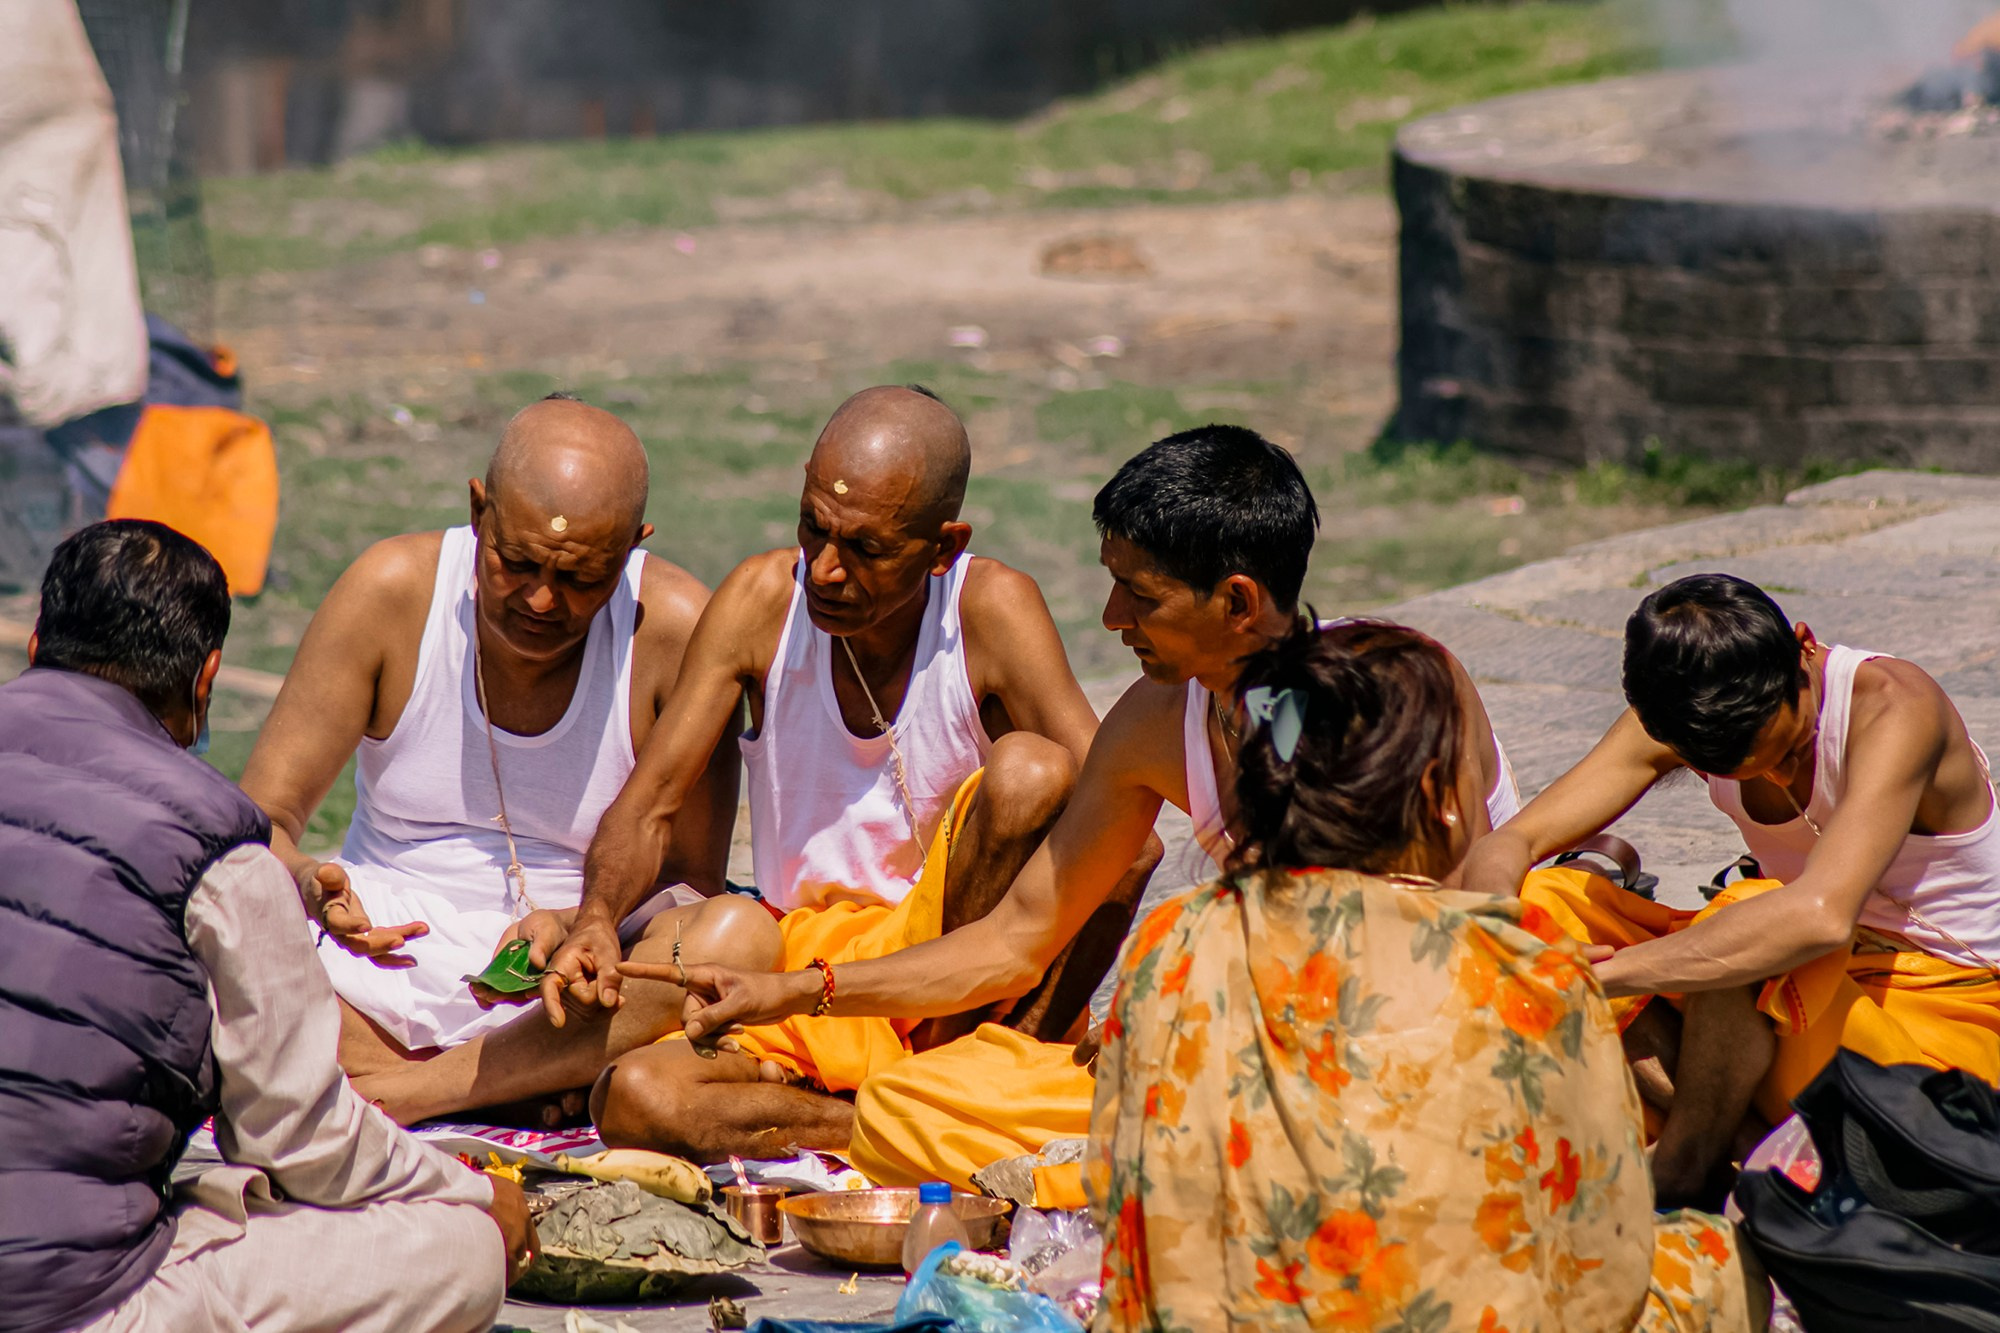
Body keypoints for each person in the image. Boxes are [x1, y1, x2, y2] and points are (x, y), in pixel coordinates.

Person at [657, 425, 1521, 1191]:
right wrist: (800, 990)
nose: (1111, 619)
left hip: (1400, 1032)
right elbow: (1013, 940)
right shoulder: (1155, 720)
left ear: (1237, 602)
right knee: (912, 1098)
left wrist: (1201, 1006)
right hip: (1236, 1051)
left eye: (1139, 596)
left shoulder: (1398, 688)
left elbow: (1454, 918)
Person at [1090, 618, 1759, 1332]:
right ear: (1439, 792)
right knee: (1723, 1259)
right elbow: (1600, 1253)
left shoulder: (1173, 939)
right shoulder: (1521, 961)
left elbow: (1115, 1193)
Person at [532, 383, 1144, 1162]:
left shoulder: (989, 608)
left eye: (864, 549)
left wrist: (1025, 1035)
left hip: (956, 999)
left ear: (943, 549)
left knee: (1030, 772)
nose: (823, 569)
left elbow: (1130, 842)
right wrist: (594, 915)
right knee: (634, 1097)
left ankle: (946, 1088)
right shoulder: (762, 598)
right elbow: (650, 801)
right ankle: (912, 1124)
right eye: (812, 528)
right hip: (794, 981)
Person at [0, 520, 531, 1333]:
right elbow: (300, 1141)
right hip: (70, 1301)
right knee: (459, 1247)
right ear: (206, 677)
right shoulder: (216, 845)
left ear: (37, 642)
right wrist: (469, 1188)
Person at [238, 393, 762, 1123]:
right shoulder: (391, 591)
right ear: (479, 512)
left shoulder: (675, 632)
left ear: (632, 548)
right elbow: (257, 820)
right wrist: (306, 881)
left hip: (571, 989)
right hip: (370, 967)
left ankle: (413, 1091)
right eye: (515, 563)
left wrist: (584, 919)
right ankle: (516, 1087)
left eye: (581, 578)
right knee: (200, 909)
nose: (542, 600)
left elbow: (691, 884)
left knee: (738, 934)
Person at [1462, 573, 2000, 1207]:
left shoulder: (1895, 706)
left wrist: (1594, 978)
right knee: (1550, 901)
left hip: (1949, 1032)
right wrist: (1508, 942)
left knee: (1752, 919)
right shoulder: (1682, 712)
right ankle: (1745, 1150)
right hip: (1804, 997)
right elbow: (1509, 844)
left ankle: (1686, 1162)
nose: (1777, 775)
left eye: (1792, 750)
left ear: (1802, 648)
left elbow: (1819, 918)